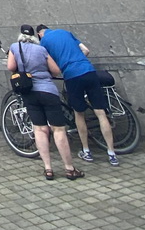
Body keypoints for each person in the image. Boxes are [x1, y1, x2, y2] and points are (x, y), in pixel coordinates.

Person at [6, 25, 84, 181]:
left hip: (29, 93)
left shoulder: (15, 47)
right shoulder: (41, 50)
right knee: (58, 130)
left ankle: (48, 169)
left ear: (20, 35)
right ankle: (69, 168)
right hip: (48, 91)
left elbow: (11, 67)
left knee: (40, 129)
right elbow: (55, 70)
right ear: (34, 36)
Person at [36, 23, 118, 166]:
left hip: (72, 75)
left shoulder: (44, 42)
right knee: (101, 113)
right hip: (89, 70)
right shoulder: (65, 32)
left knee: (79, 113)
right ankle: (112, 153)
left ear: (39, 34)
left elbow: (50, 64)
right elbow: (86, 50)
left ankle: (86, 151)